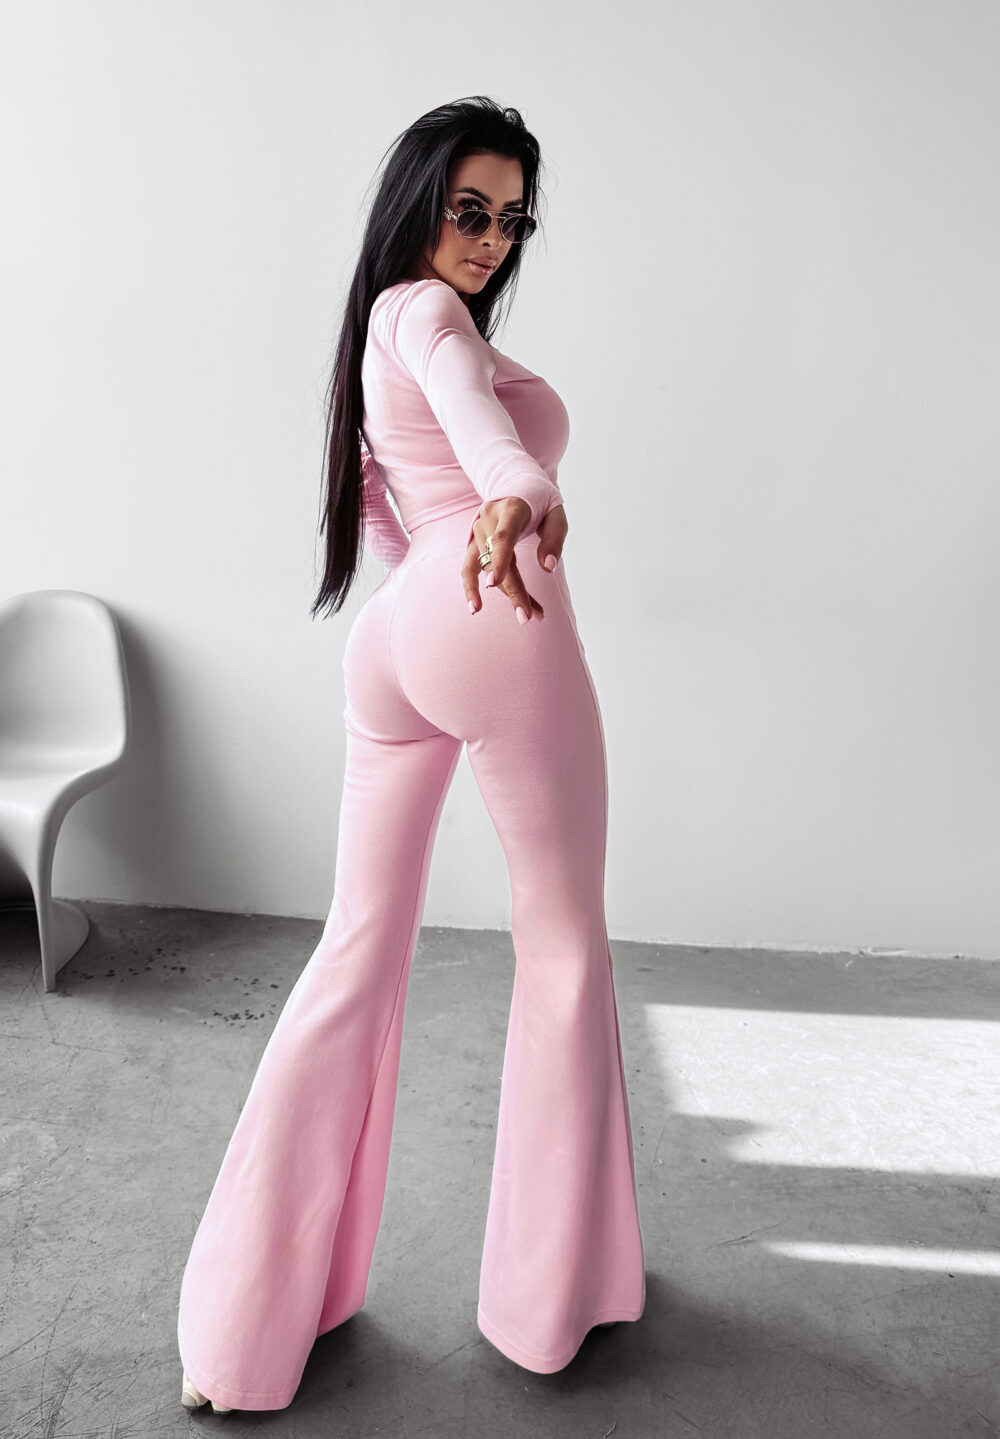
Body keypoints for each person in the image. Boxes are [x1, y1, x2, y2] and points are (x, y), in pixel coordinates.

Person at [177, 95, 646, 1416]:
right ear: (419, 204)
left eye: (513, 220)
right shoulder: (430, 315)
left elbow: (395, 501)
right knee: (562, 940)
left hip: (397, 635)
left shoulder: (385, 322)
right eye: (469, 209)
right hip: (491, 610)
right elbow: (491, 449)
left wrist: (467, 537)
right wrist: (520, 497)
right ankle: (551, 1304)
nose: (490, 239)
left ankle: (245, 1332)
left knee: (355, 947)